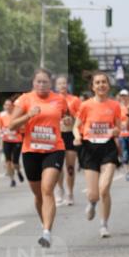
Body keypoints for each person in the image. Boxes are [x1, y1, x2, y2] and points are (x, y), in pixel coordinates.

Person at [8, 68, 67, 248]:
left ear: (51, 83)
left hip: (53, 149)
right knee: (38, 194)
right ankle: (45, 224)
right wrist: (28, 115)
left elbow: (65, 117)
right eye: (38, 82)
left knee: (47, 189)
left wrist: (68, 123)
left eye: (45, 82)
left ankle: (47, 232)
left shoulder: (59, 100)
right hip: (31, 151)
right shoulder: (25, 99)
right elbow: (11, 125)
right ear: (33, 83)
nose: (41, 85)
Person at [73, 72, 122, 238]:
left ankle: (104, 224)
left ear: (108, 86)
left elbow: (118, 128)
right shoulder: (86, 105)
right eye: (98, 82)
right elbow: (75, 126)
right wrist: (78, 136)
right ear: (93, 87)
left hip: (108, 148)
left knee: (105, 189)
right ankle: (92, 203)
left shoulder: (115, 105)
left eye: (104, 82)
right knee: (94, 193)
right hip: (89, 148)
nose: (101, 85)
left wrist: (116, 131)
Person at [54, 75, 81, 205]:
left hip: (70, 134)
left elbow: (81, 117)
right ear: (56, 86)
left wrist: (72, 118)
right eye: (59, 84)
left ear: (68, 85)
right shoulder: (52, 100)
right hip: (57, 136)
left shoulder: (74, 100)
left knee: (70, 166)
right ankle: (60, 190)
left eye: (64, 83)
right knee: (58, 167)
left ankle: (70, 193)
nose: (62, 86)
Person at [0, 97, 24, 186]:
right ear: (4, 106)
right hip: (6, 140)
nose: (8, 107)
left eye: (10, 105)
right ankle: (12, 179)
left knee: (15, 162)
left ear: (13, 106)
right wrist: (1, 142)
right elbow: (0, 129)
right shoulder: (1, 115)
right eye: (6, 105)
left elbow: (22, 128)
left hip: (17, 140)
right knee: (8, 162)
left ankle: (18, 171)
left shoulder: (17, 115)